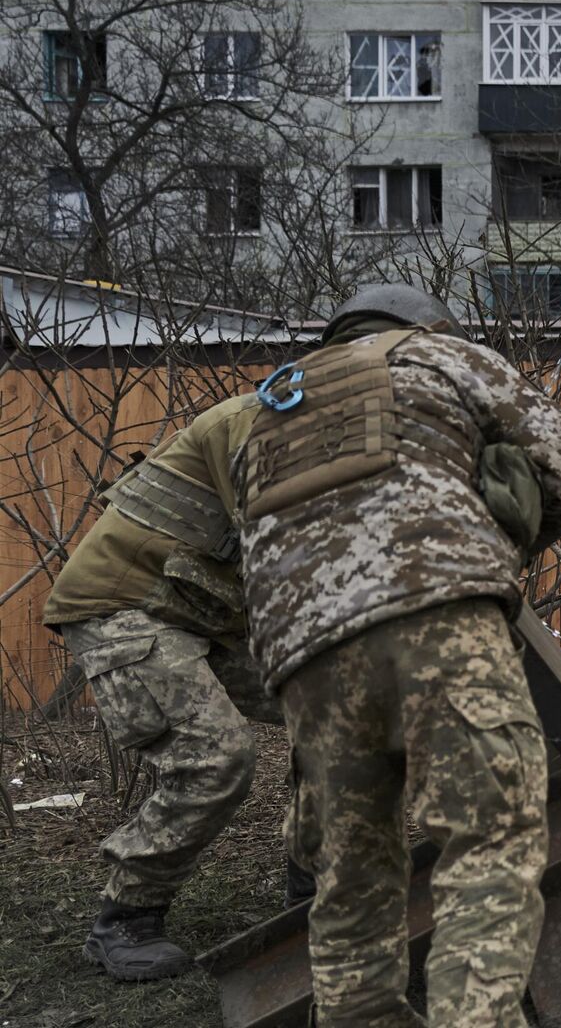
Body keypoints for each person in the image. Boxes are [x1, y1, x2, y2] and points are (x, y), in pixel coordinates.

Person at [239, 284, 561, 1026]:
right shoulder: (439, 355)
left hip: (303, 653)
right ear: (429, 325)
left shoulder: (271, 409)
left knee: (350, 875)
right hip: (437, 610)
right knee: (488, 841)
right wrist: (507, 528)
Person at [42, 392, 298, 981]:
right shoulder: (265, 419)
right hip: (124, 603)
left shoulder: (349, 423)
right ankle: (127, 918)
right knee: (217, 756)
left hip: (200, 608)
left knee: (339, 709)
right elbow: (282, 540)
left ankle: (315, 882)